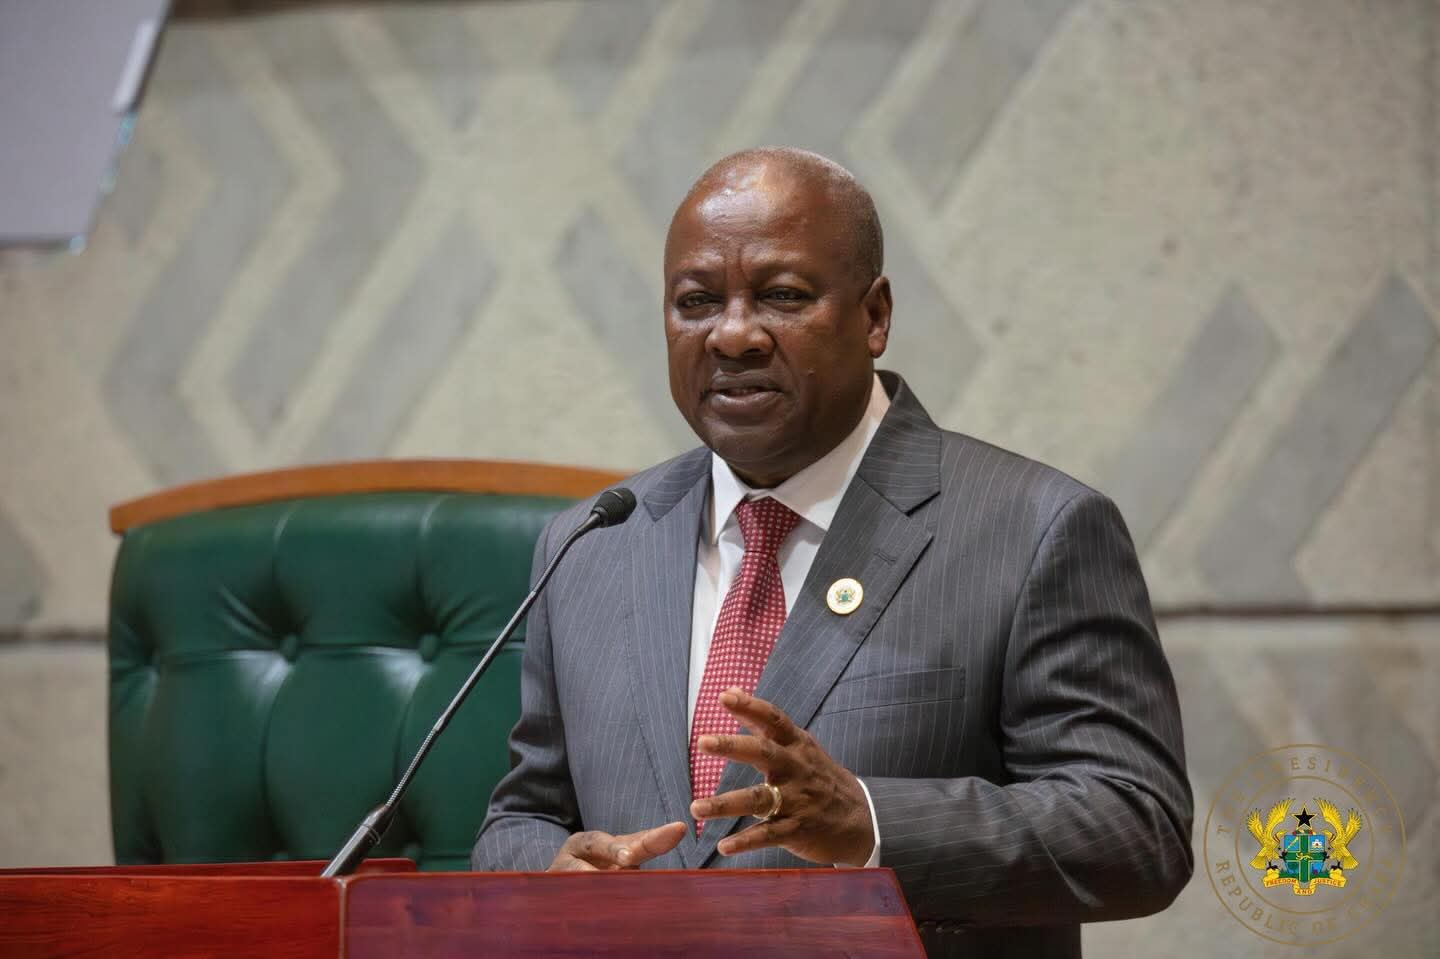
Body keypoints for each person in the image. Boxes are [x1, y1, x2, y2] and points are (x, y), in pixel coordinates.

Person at [473, 147, 1193, 957]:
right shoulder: (593, 542)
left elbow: (1137, 825)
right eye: (696, 302)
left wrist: (874, 823)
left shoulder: (1035, 528)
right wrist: (552, 872)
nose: (733, 334)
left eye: (781, 295)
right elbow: (523, 815)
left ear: (874, 315)